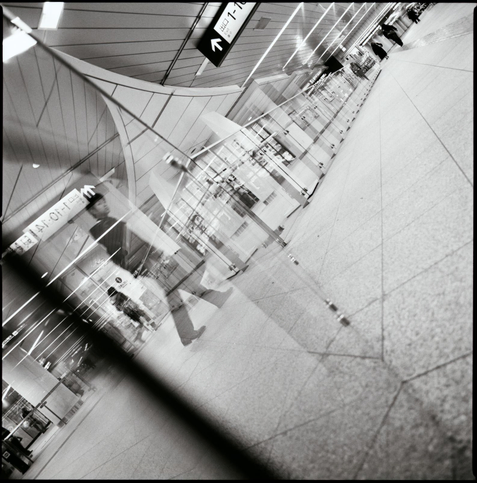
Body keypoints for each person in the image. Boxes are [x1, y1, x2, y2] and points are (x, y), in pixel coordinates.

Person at [86, 193, 233, 346]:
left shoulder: (109, 223)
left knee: (177, 285)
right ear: (92, 212)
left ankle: (191, 326)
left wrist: (151, 253)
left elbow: (127, 246)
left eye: (103, 201)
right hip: (145, 262)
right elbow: (119, 252)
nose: (104, 204)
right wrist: (141, 264)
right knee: (177, 285)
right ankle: (201, 315)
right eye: (99, 204)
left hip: (147, 259)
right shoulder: (103, 228)